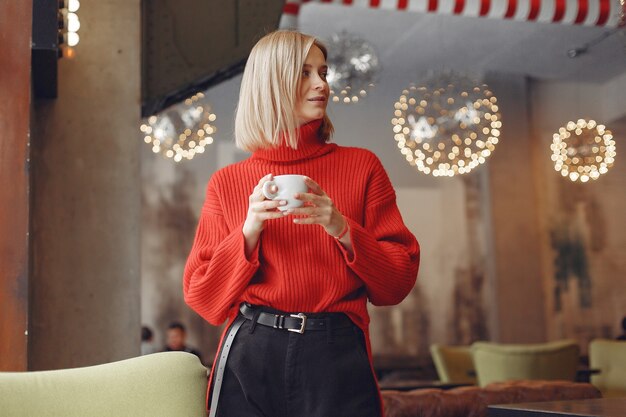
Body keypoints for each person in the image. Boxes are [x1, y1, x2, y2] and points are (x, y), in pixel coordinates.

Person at [183, 30, 420, 417]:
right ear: (272, 83)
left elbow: (397, 283)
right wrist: (248, 231)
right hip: (251, 350)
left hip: (337, 350)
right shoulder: (226, 183)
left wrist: (342, 227)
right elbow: (203, 297)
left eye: (323, 73)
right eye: (305, 73)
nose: (321, 84)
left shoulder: (362, 167)